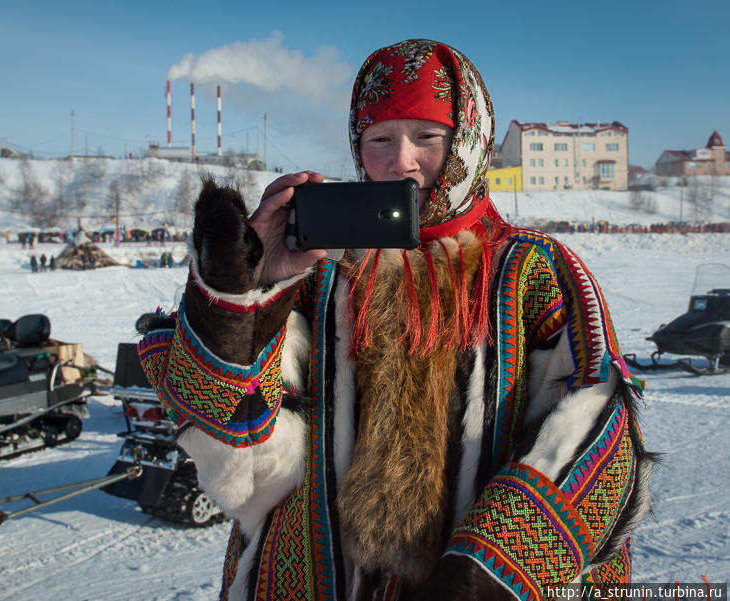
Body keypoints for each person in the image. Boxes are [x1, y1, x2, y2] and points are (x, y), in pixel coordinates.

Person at [137, 40, 651, 600]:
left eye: (428, 137)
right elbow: (242, 469)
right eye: (379, 139)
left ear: (469, 143)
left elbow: (600, 441)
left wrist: (485, 574)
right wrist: (242, 293)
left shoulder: (530, 270)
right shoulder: (322, 273)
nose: (399, 161)